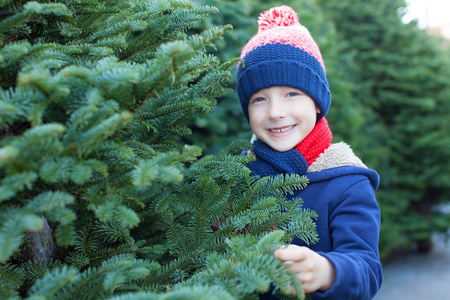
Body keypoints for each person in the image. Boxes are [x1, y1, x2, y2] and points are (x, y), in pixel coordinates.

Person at [236, 5, 382, 300]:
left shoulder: (347, 181)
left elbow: (367, 269)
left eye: (292, 94)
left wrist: (326, 270)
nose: (276, 113)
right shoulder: (237, 175)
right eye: (259, 99)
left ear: (317, 102)